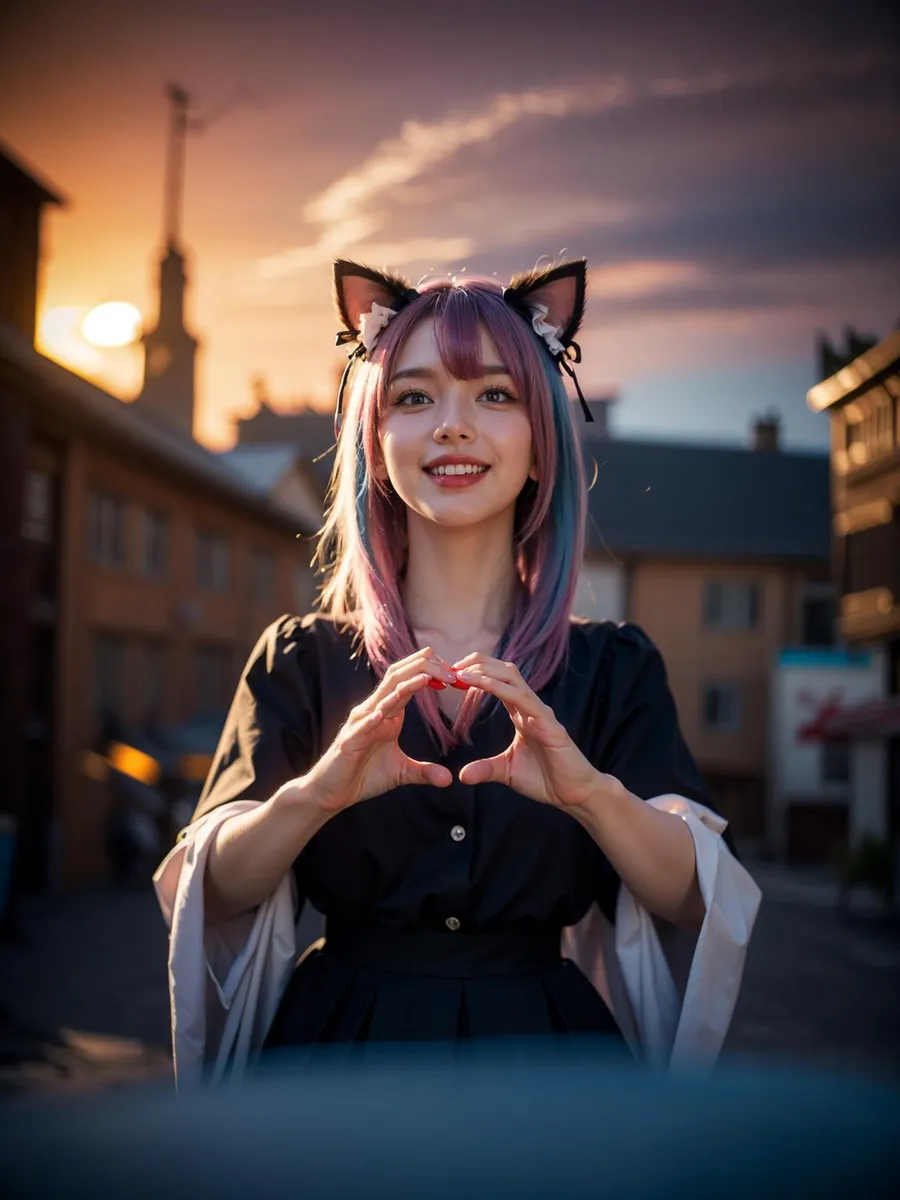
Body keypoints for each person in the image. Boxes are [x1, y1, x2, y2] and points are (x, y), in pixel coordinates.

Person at [155, 258, 760, 1084]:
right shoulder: (302, 658)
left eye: (496, 394)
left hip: (553, 1064)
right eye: (413, 396)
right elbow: (206, 895)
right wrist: (317, 794)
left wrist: (590, 794)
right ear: (375, 439)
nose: (452, 424)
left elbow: (694, 899)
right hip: (333, 1061)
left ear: (543, 444)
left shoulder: (614, 667)